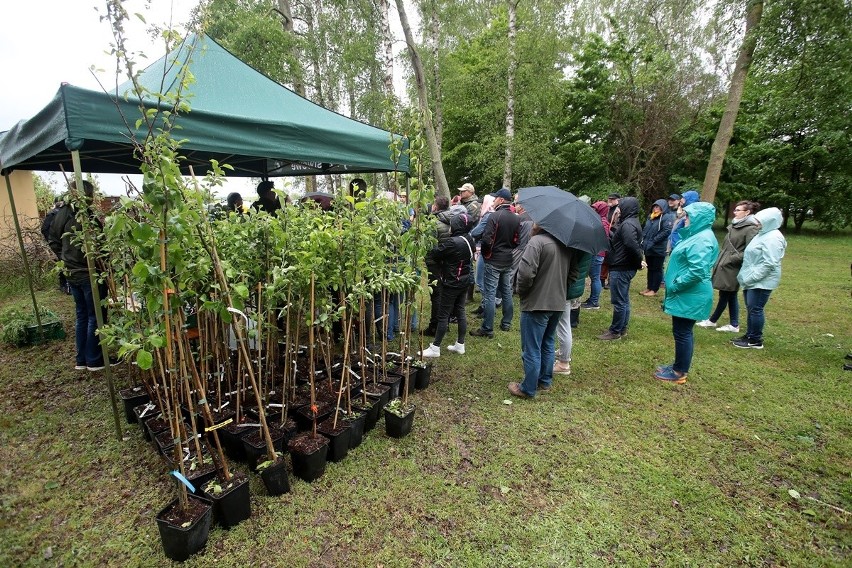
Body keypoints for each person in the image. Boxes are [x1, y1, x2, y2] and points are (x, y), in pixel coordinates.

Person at [47, 180, 113, 371]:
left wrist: (65, 260)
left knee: (82, 315)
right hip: (87, 272)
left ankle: (81, 359)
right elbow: (99, 246)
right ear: (85, 195)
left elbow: (53, 240)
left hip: (72, 273)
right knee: (95, 316)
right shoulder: (83, 215)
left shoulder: (62, 213)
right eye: (91, 194)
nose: (93, 198)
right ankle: (94, 359)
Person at [508, 224, 580, 398]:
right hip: (558, 303)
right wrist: (561, 289)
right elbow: (574, 273)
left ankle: (528, 388)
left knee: (531, 347)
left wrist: (523, 292)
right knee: (548, 341)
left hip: (537, 303)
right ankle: (545, 381)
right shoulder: (567, 245)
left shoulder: (537, 242)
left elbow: (525, 274)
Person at [654, 202, 720, 383]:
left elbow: (697, 271)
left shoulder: (703, 239)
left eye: (689, 216)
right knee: (681, 331)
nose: (685, 219)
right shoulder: (697, 236)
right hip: (687, 293)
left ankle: (679, 372)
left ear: (700, 218)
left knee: (683, 332)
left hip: (690, 293)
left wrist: (675, 284)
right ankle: (678, 365)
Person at [696, 201, 760, 332]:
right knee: (729, 295)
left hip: (733, 267)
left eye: (738, 210)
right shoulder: (735, 225)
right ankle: (732, 323)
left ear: (747, 212)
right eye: (735, 209)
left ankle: (714, 321)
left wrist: (730, 259)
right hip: (724, 265)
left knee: (726, 294)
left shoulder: (750, 228)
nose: (734, 212)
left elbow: (751, 251)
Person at [419, 214, 475, 358]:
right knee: (460, 310)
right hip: (464, 281)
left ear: (456, 226)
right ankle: (460, 344)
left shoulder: (453, 242)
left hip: (451, 282)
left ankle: (435, 347)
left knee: (443, 315)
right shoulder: (469, 239)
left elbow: (436, 253)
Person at [732, 207, 787, 349]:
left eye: (760, 222)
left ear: (770, 222)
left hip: (762, 281)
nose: (756, 224)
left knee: (756, 308)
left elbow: (770, 263)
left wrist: (752, 278)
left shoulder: (774, 238)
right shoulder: (763, 234)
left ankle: (755, 340)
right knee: (751, 308)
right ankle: (750, 335)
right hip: (752, 278)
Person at [471, 188, 519, 338]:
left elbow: (486, 239)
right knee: (506, 291)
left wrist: (486, 254)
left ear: (502, 200)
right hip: (507, 259)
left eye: (496, 198)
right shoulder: (516, 218)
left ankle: (487, 328)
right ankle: (506, 323)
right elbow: (516, 240)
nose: (494, 200)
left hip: (494, 259)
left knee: (490, 294)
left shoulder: (494, 216)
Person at [599, 196, 643, 340]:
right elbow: (623, 241)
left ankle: (615, 331)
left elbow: (631, 245)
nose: (618, 209)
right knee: (623, 300)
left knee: (619, 301)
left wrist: (638, 261)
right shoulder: (630, 223)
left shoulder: (628, 225)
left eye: (621, 206)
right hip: (624, 265)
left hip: (622, 266)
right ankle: (622, 328)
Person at [554, 251, 592, 375]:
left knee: (563, 325)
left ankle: (564, 363)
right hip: (575, 287)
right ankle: (562, 352)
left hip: (568, 288)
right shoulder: (587, 243)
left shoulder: (575, 248)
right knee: (564, 323)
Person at [640, 199, 675, 296]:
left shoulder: (666, 217)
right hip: (649, 247)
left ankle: (654, 289)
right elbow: (646, 230)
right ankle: (649, 287)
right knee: (650, 268)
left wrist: (654, 240)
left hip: (658, 248)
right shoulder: (651, 217)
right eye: (655, 206)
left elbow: (666, 231)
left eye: (658, 207)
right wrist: (643, 240)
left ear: (663, 207)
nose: (656, 209)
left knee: (657, 269)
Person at [581, 201, 610, 310]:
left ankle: (594, 302)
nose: (593, 210)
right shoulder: (600, 221)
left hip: (597, 253)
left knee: (595, 278)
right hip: (596, 252)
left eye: (596, 209)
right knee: (594, 277)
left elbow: (600, 239)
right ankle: (592, 299)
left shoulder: (602, 222)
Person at [42, 196, 71, 294]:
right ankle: (64, 285)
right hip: (59, 244)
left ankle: (67, 285)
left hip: (66, 243)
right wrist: (52, 242)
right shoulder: (53, 213)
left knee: (66, 262)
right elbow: (44, 229)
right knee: (63, 263)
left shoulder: (67, 212)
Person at [600, 193, 621, 289]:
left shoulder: (619, 210)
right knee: (604, 258)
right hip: (606, 235)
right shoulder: (607, 209)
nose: (610, 201)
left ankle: (610, 281)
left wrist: (611, 232)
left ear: (617, 200)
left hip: (614, 236)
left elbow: (618, 225)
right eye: (609, 199)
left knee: (612, 260)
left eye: (612, 199)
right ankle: (602, 280)